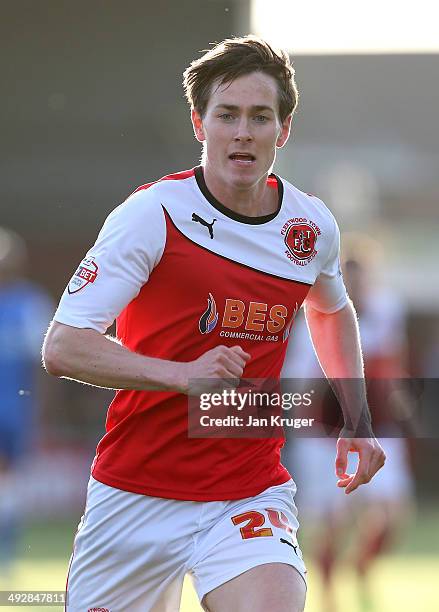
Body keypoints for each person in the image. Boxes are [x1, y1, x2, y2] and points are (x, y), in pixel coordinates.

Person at [43, 36, 385, 612]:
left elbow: (329, 308)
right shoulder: (152, 215)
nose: (243, 132)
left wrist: (357, 415)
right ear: (200, 124)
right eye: (227, 115)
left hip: (248, 490)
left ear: (284, 130)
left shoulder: (310, 226)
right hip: (135, 492)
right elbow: (63, 348)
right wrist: (183, 376)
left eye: (260, 117)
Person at [282, 239, 414, 612]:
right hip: (326, 433)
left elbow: (391, 361)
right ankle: (328, 595)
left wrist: (395, 392)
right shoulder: (315, 321)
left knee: (393, 513)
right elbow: (301, 380)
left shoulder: (388, 309)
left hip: (376, 425)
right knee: (333, 519)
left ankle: (361, 565)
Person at [0, 227, 54, 578]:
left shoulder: (31, 303)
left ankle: (7, 548)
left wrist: (39, 409)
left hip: (13, 410)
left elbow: (45, 363)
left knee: (11, 479)